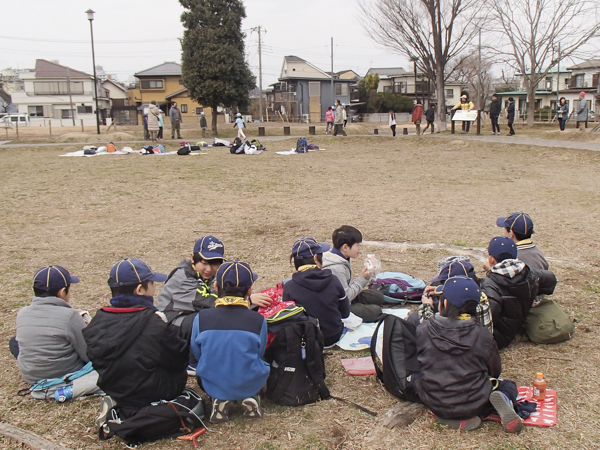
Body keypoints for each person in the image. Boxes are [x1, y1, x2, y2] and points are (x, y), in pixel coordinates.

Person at [83, 258, 192, 428]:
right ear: (140, 289)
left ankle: (118, 403)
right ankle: (153, 407)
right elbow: (179, 360)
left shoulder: (97, 320)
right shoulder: (154, 322)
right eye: (152, 284)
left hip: (114, 388)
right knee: (179, 374)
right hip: (154, 390)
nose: (154, 289)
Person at [416, 276, 523, 433]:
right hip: (473, 402)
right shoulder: (482, 335)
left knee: (417, 379)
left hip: (433, 398)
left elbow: (419, 360)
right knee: (508, 386)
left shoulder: (424, 329)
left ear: (444, 303)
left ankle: (446, 414)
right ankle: (501, 398)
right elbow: (495, 370)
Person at [191, 260, 270, 423]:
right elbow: (259, 351)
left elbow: (197, 352)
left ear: (216, 288)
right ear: (250, 290)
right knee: (258, 363)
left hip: (213, 381)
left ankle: (219, 398)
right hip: (248, 380)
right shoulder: (258, 320)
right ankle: (250, 395)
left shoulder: (201, 318)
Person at [157, 236, 272, 345]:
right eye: (204, 263)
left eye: (215, 264)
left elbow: (224, 293)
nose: (209, 269)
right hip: (171, 324)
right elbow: (208, 303)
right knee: (214, 318)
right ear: (192, 258)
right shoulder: (182, 278)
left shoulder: (208, 274)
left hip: (190, 316)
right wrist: (248, 301)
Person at [14, 265, 101, 399]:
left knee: (14, 343)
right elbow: (88, 354)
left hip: (30, 375)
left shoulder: (22, 313)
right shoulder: (70, 316)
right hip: (64, 373)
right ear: (62, 292)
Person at [480, 237, 557, 349]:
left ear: (491, 259)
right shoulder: (528, 274)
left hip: (498, 338)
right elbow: (550, 280)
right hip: (514, 327)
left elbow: (489, 318)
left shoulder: (490, 284)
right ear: (515, 257)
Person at [283, 237, 350, 346]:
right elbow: (345, 313)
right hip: (334, 335)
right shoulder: (333, 280)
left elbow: (289, 320)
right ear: (316, 258)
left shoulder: (290, 287)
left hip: (308, 340)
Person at [322, 225, 384, 322]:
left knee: (378, 296)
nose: (359, 249)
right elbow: (346, 298)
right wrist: (362, 279)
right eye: (357, 245)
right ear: (345, 247)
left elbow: (348, 287)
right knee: (376, 311)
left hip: (345, 297)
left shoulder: (342, 258)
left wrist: (366, 276)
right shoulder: (336, 268)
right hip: (338, 306)